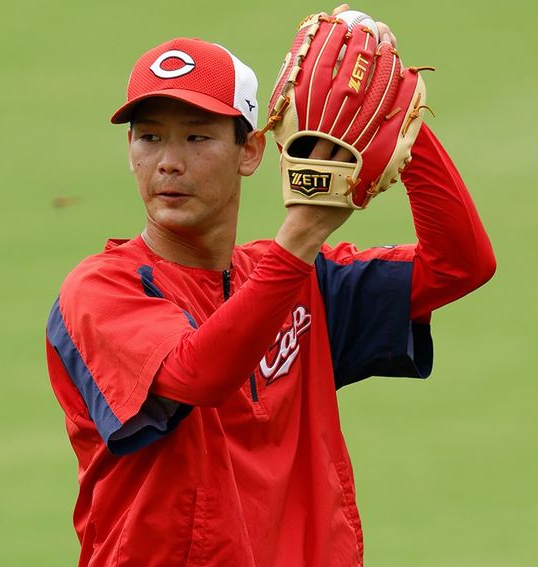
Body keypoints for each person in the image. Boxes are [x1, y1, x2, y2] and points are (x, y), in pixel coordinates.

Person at [45, 10, 495, 566]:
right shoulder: (101, 290)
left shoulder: (306, 281)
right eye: (149, 137)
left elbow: (459, 265)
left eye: (197, 137)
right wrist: (302, 235)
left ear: (251, 152)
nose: (168, 163)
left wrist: (398, 119)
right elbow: (196, 374)